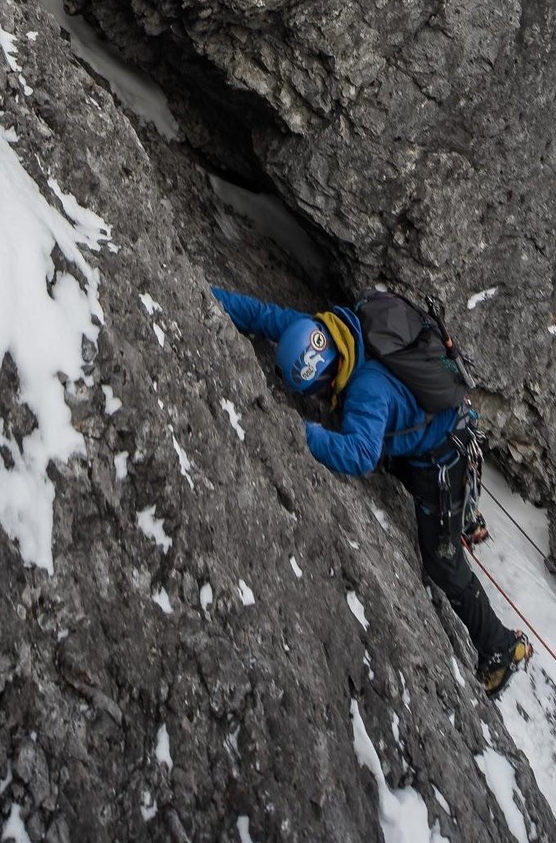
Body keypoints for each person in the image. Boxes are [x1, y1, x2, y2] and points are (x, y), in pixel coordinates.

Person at [211, 286, 533, 695]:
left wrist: (301, 432)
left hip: (440, 456)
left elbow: (361, 454)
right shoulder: (321, 332)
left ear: (328, 375)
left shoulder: (366, 389)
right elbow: (260, 312)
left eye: (313, 391)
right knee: (399, 459)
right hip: (433, 430)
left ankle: (501, 647)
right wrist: (210, 294)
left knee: (442, 563)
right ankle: (463, 515)